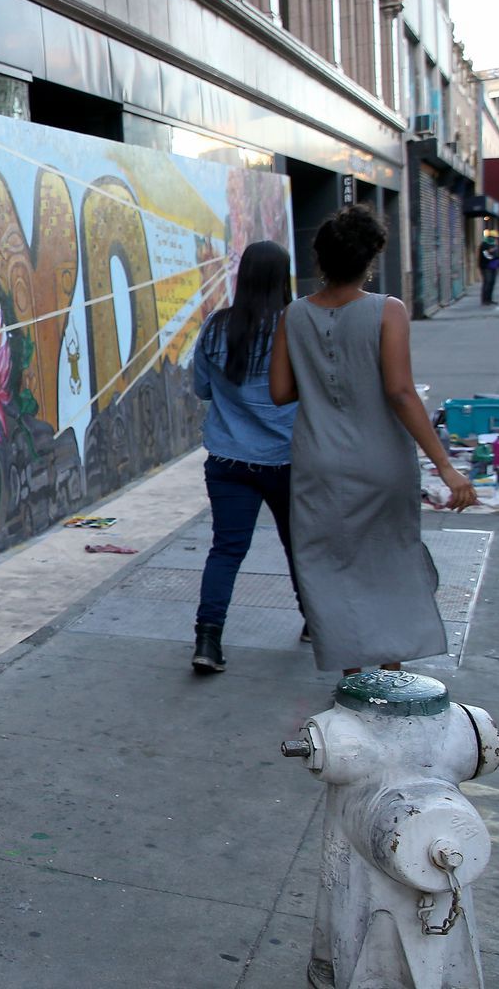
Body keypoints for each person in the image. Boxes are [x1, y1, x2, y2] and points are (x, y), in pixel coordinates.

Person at [270, 205, 478, 676]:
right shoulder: (388, 310)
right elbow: (400, 391)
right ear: (371, 259)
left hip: (317, 462)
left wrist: (322, 373)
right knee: (387, 561)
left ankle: (351, 678)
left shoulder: (294, 315)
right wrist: (445, 465)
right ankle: (391, 675)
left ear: (320, 259)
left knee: (329, 569)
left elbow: (280, 392)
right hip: (381, 461)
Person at [189, 241, 302, 676]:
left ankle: (207, 639)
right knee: (301, 547)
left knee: (226, 549)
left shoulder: (217, 327)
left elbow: (202, 389)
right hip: (288, 460)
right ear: (283, 277)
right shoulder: (295, 326)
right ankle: (315, 623)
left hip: (228, 460)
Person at [477, 239, 499, 306]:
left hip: (492, 267)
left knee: (492, 283)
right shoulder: (484, 246)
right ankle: (485, 300)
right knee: (487, 282)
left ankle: (489, 299)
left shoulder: (493, 245)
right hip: (486, 267)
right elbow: (487, 255)